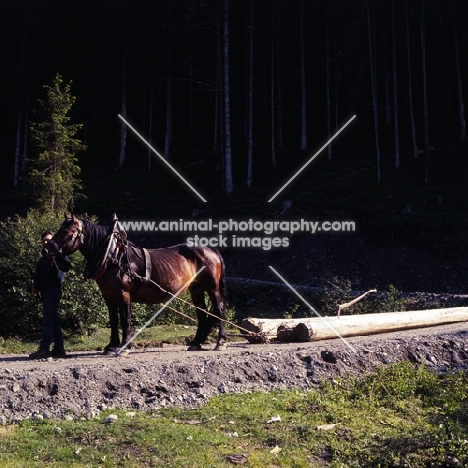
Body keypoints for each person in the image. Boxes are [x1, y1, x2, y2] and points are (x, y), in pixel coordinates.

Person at [29, 230, 71, 359]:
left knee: (48, 320)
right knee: (53, 319)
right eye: (44, 240)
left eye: (48, 240)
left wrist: (57, 256)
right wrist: (35, 285)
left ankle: (44, 348)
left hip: (53, 290)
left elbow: (66, 267)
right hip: (45, 290)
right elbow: (39, 274)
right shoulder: (43, 257)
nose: (46, 242)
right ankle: (59, 349)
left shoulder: (59, 254)